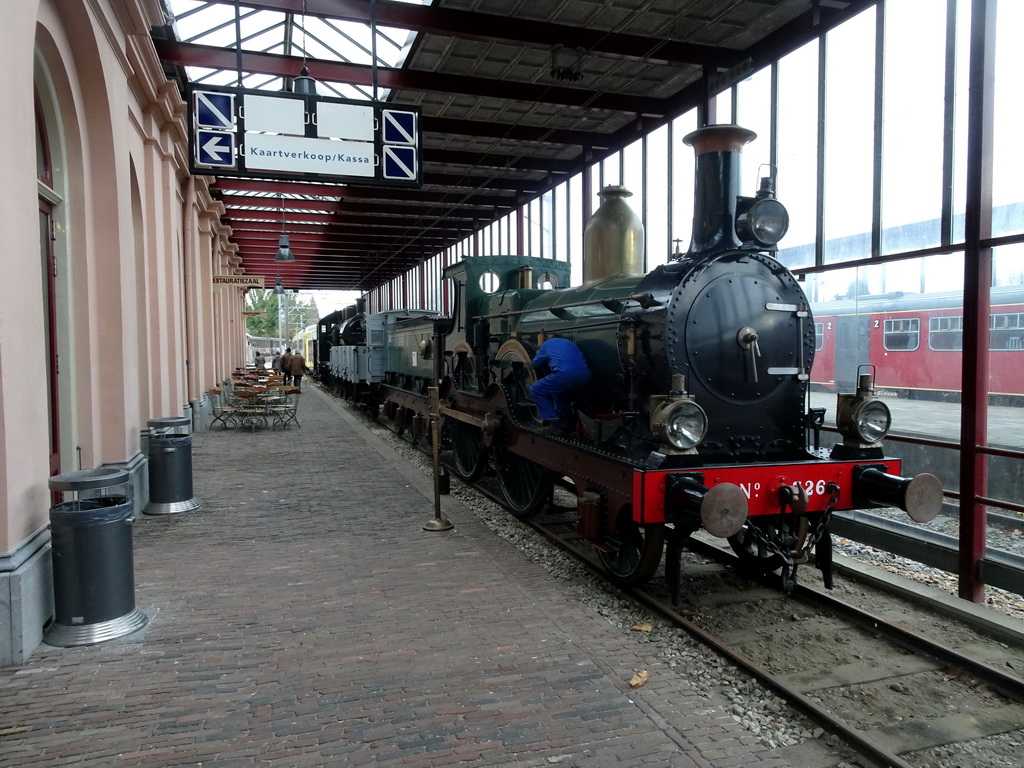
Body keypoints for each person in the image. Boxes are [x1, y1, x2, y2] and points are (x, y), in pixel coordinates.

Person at [530, 336, 591, 432]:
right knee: (557, 390)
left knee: (536, 389)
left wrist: (538, 354)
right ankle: (566, 422)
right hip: (585, 376)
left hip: (565, 375)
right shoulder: (570, 343)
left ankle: (552, 422)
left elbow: (535, 364)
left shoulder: (546, 344)